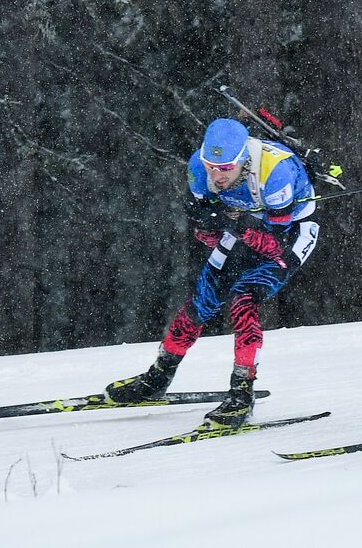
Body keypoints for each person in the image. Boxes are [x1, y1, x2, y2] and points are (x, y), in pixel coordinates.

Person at [104, 118, 320, 427]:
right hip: (242, 228)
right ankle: (157, 378)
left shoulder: (276, 173)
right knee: (200, 303)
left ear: (243, 161)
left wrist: (238, 226)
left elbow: (273, 245)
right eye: (211, 166)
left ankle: (241, 395)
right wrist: (208, 224)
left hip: (289, 234)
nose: (216, 176)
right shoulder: (198, 168)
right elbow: (206, 232)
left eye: (225, 169)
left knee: (243, 300)